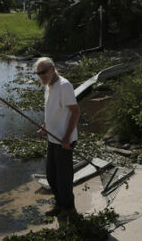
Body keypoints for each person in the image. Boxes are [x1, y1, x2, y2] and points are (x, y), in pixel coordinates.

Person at [35, 56, 80, 220]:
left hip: (64, 141)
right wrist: (44, 127)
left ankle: (70, 209)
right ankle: (60, 205)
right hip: (52, 139)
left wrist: (67, 137)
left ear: (53, 69)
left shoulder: (64, 86)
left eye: (44, 72)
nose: (41, 76)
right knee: (51, 176)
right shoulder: (48, 86)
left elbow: (76, 112)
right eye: (38, 73)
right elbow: (51, 112)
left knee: (64, 179)